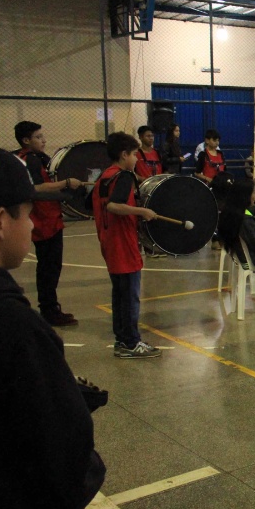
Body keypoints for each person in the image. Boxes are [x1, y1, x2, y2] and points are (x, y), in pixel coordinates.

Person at [0, 146, 107, 509]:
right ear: (0, 222)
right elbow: (63, 453)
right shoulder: (15, 325)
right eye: (25, 215)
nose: (33, 224)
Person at [92, 132, 163, 358]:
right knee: (130, 296)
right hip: (123, 244)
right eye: (134, 155)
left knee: (120, 295)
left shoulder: (105, 176)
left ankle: (122, 340)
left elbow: (91, 202)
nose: (136, 159)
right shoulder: (123, 177)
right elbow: (113, 206)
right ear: (124, 155)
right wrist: (142, 211)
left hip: (109, 243)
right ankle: (132, 342)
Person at [13, 121, 82, 327]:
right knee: (49, 268)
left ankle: (51, 307)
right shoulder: (30, 160)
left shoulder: (35, 158)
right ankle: (49, 310)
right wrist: (65, 184)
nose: (43, 140)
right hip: (43, 222)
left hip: (50, 219)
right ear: (26, 140)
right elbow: (35, 188)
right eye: (38, 137)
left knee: (50, 267)